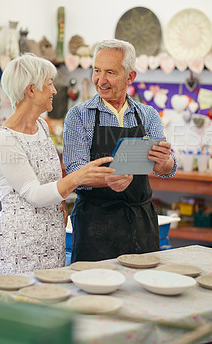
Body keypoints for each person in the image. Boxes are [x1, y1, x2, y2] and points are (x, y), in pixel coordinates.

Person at [0, 53, 114, 275]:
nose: (55, 90)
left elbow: (50, 180)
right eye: (49, 83)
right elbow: (34, 194)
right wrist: (78, 177)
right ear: (31, 90)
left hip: (51, 240)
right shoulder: (5, 139)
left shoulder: (42, 126)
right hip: (20, 246)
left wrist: (62, 201)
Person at [63, 39, 177, 262]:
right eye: (96, 70)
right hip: (95, 224)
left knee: (141, 291)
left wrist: (165, 163)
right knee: (95, 292)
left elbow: (168, 165)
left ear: (130, 77)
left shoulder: (148, 115)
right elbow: (75, 171)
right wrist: (109, 179)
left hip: (141, 222)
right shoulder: (78, 116)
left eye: (110, 73)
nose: (100, 80)